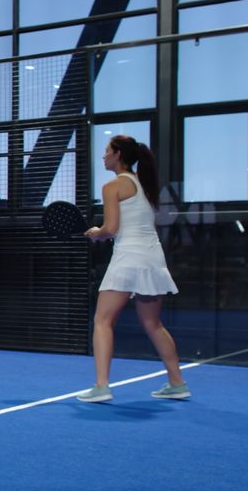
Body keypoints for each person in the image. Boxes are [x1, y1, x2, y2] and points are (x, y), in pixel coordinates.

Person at [78, 135, 189, 402]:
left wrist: (96, 232)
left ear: (118, 154)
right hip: (152, 259)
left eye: (107, 151)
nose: (103, 156)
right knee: (153, 323)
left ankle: (101, 386)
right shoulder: (144, 184)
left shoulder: (113, 186)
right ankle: (177, 383)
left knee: (103, 321)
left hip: (129, 258)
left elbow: (111, 229)